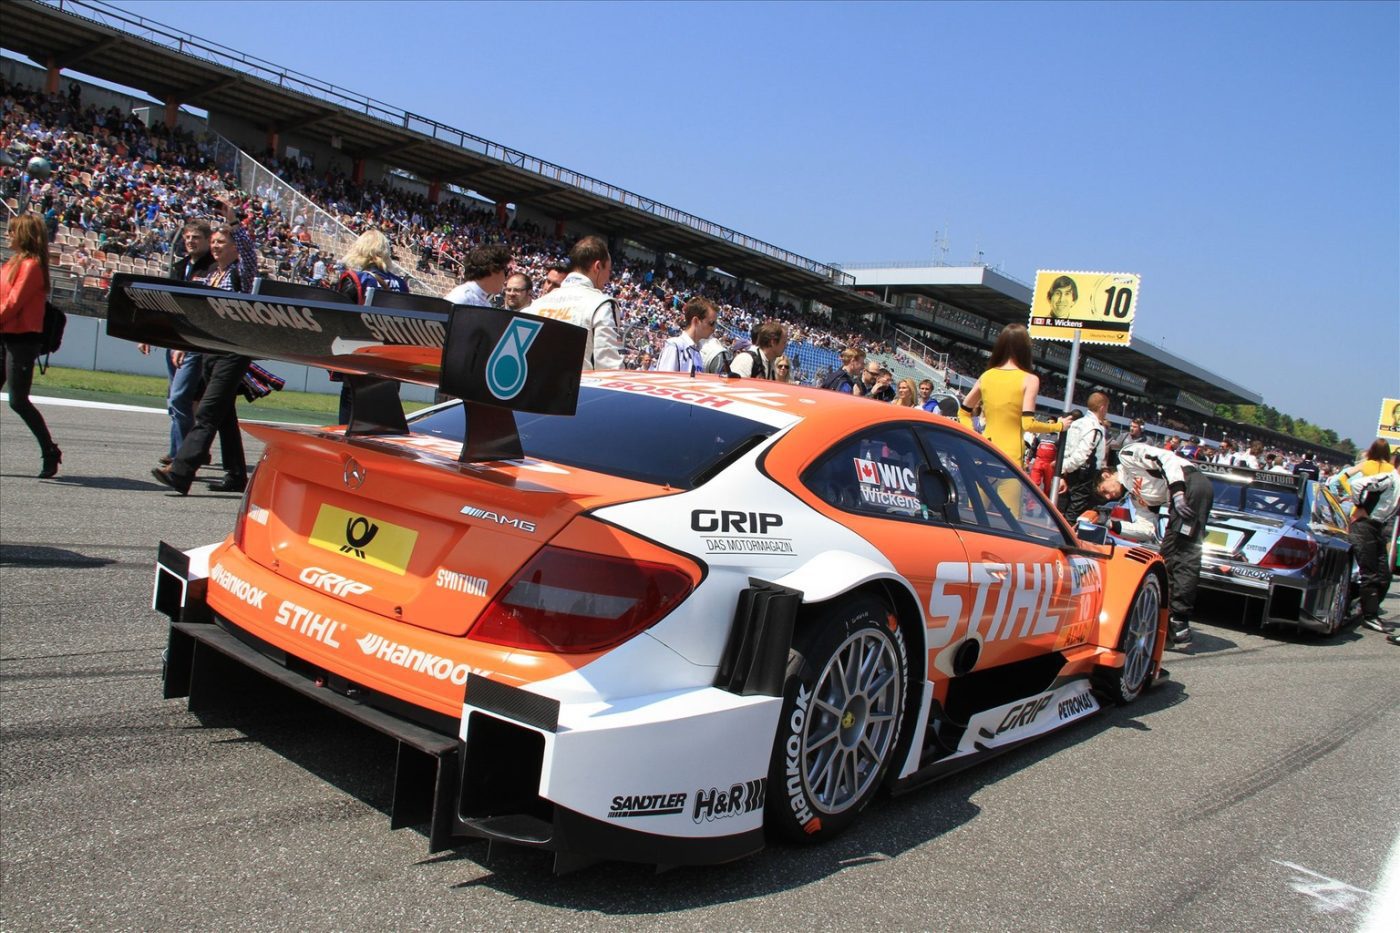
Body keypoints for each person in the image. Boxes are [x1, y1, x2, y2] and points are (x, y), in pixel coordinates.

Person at [151, 213, 259, 496]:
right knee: (224, 416)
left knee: (208, 413)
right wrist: (186, 346)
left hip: (232, 352)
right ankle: (236, 474)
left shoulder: (241, 273)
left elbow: (249, 250)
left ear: (235, 247)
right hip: (210, 352)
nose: (215, 246)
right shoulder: (213, 275)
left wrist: (234, 221)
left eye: (222, 242)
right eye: (213, 242)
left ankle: (181, 471)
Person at [1097, 441, 1214, 649]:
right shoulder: (1135, 496)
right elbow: (1147, 530)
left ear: (1106, 475)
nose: (1108, 496)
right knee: (1169, 556)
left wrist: (1177, 493)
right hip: (1183, 495)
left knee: (1182, 554)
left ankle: (1179, 621)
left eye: (1104, 490)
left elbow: (1166, 458)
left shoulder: (1127, 456)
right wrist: (1110, 523)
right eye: (1104, 497)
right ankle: (1169, 621)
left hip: (1190, 484)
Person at [0, 214, 61, 477]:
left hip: (22, 340)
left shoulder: (31, 266)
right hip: (5, 335)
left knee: (18, 401)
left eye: (12, 232)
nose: (7, 235)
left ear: (23, 235)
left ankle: (50, 451)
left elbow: (13, 304)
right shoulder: (12, 264)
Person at [958, 323, 1068, 466]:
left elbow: (963, 412)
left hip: (985, 451)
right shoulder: (1030, 380)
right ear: (1026, 349)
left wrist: (975, 436)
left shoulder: (986, 376)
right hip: (1010, 458)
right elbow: (1028, 424)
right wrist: (1059, 426)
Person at [335, 228, 410, 424]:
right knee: (381, 424)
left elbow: (340, 320)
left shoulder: (355, 279)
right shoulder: (401, 284)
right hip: (391, 361)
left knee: (349, 423)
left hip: (359, 359)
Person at [522, 235, 622, 370]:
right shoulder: (601, 305)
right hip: (579, 389)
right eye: (608, 270)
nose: (608, 278)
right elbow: (609, 367)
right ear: (597, 267)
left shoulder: (534, 306)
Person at [1340, 440, 1396, 633]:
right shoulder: (1390, 476)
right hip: (1364, 525)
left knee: (1384, 575)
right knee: (1370, 573)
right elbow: (1356, 484)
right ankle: (1369, 616)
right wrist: (1361, 505)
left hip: (1377, 527)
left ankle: (1366, 609)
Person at [1059, 391, 1110, 518]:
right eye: (1107, 408)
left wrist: (1062, 472)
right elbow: (1082, 455)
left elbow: (1065, 449)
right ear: (1102, 408)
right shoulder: (1094, 427)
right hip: (1083, 476)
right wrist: (1067, 468)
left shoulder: (1076, 423)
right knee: (1075, 515)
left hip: (1069, 473)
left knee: (1063, 511)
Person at [655, 297, 716, 374]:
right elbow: (663, 381)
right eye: (711, 323)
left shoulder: (698, 352)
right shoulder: (674, 345)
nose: (713, 328)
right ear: (696, 321)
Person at [444, 243, 510, 308]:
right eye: (505, 271)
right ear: (492, 269)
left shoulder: (486, 304)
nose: (505, 279)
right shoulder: (460, 298)